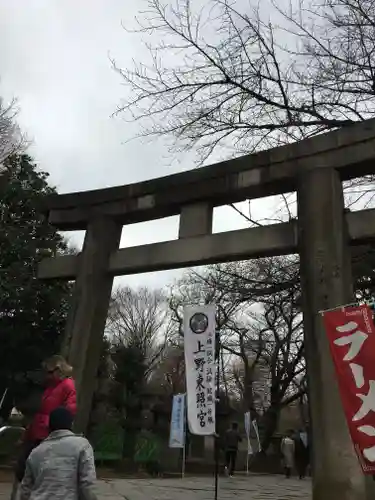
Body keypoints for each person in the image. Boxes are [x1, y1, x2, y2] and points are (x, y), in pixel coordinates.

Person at [15, 355, 76, 483]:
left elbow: (69, 411)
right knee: (23, 469)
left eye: (49, 372)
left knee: (39, 472)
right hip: (37, 432)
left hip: (49, 435)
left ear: (59, 370)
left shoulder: (67, 385)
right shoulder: (50, 387)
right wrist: (26, 434)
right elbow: (40, 412)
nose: (47, 376)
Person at [20, 407, 97, 500]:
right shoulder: (82, 445)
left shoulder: (36, 452)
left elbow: (26, 488)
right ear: (71, 424)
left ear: (49, 426)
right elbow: (87, 483)